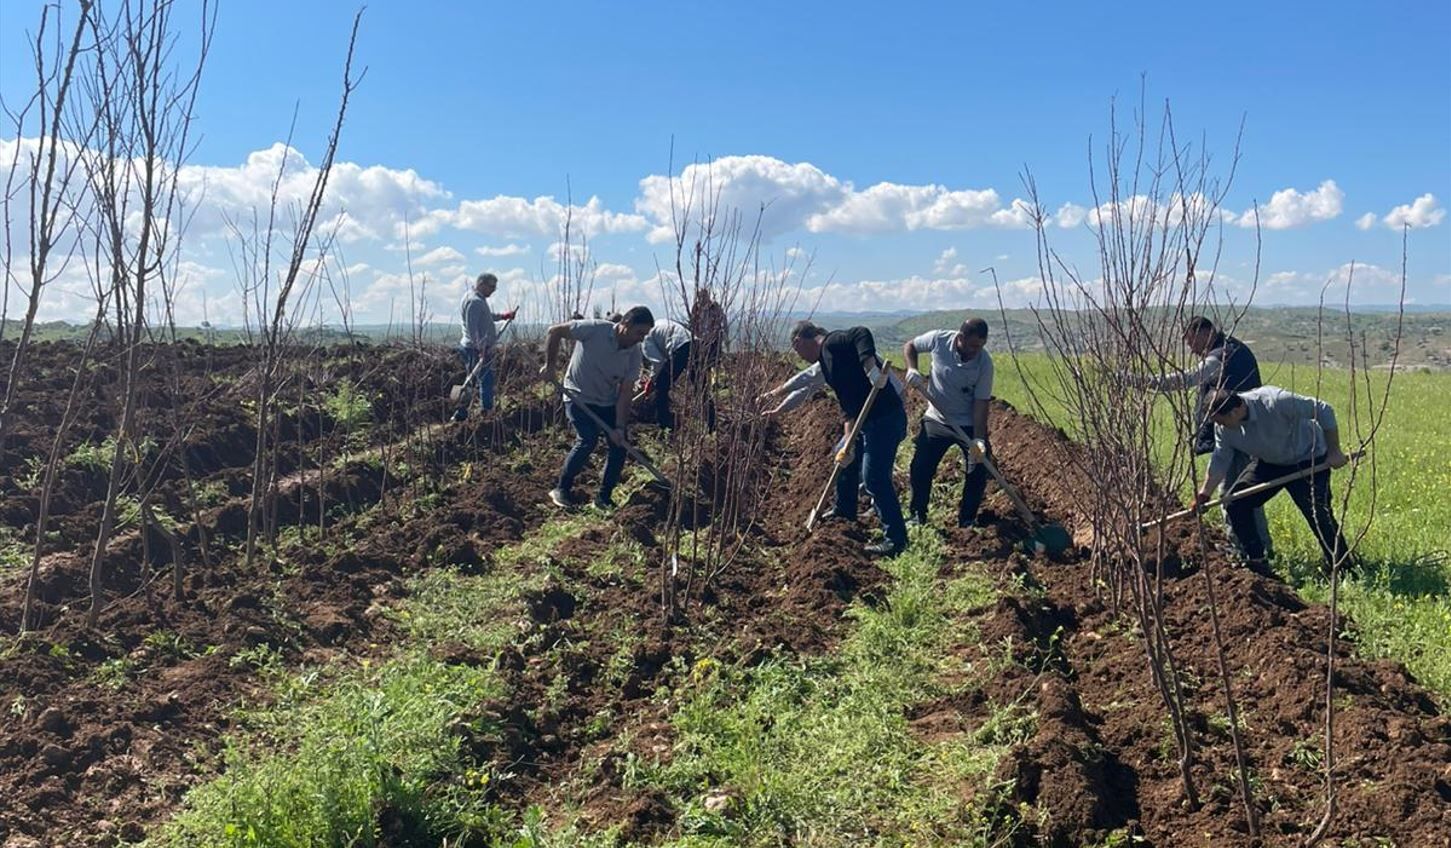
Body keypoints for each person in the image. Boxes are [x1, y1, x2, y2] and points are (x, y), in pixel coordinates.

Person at [759, 321, 909, 556]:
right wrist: (848, 443)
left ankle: (896, 540)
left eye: (797, 351)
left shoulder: (834, 342)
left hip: (885, 420)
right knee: (842, 456)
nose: (799, 357)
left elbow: (861, 331)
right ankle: (844, 509)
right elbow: (848, 409)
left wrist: (871, 368)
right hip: (864, 422)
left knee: (874, 479)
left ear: (800, 341)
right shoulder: (827, 366)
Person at [1137, 316, 1269, 556]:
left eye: (1191, 340)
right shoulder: (1231, 348)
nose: (1190, 347)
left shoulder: (1221, 355)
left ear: (1206, 333)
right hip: (1241, 429)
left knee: (1233, 493)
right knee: (1243, 492)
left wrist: (1140, 382)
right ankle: (1255, 546)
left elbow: (1186, 379)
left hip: (1237, 432)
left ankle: (1245, 548)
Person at [1194, 386, 1352, 574]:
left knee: (1318, 513)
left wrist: (1334, 450)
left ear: (1235, 411)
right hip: (1270, 463)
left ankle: (1342, 566)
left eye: (1221, 421)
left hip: (1308, 459)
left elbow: (1324, 410)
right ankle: (1257, 561)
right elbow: (1221, 458)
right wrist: (1204, 494)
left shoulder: (1276, 401)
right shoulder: (1223, 426)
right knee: (1235, 502)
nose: (1219, 426)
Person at [540, 307, 654, 510]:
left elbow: (626, 392)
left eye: (645, 335)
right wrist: (550, 367)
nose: (641, 339)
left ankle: (603, 498)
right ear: (625, 325)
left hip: (606, 402)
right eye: (639, 333)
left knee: (619, 445)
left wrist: (619, 426)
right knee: (588, 439)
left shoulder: (634, 354)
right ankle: (561, 489)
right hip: (577, 396)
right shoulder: (595, 329)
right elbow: (554, 331)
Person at [901, 317, 994, 528]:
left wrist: (979, 438)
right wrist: (912, 369)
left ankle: (967, 520)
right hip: (937, 418)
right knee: (920, 467)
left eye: (980, 346)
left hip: (967, 423)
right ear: (960, 337)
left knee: (978, 469)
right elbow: (910, 346)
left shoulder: (984, 364)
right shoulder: (938, 339)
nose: (975, 350)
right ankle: (917, 515)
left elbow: (981, 403)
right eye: (972, 345)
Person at [453, 272, 516, 421]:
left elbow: (486, 317)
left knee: (477, 380)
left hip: (478, 348)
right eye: (491, 287)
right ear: (481, 284)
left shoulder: (478, 300)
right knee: (481, 381)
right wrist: (480, 348)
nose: (493, 290)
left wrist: (503, 316)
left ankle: (474, 411)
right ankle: (475, 412)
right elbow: (472, 328)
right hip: (475, 349)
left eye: (495, 287)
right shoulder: (474, 301)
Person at [640, 317, 716, 431]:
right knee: (701, 389)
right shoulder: (660, 323)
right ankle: (712, 423)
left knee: (661, 387)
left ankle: (664, 425)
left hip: (681, 348)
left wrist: (652, 381)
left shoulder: (646, 339)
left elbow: (658, 363)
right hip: (696, 345)